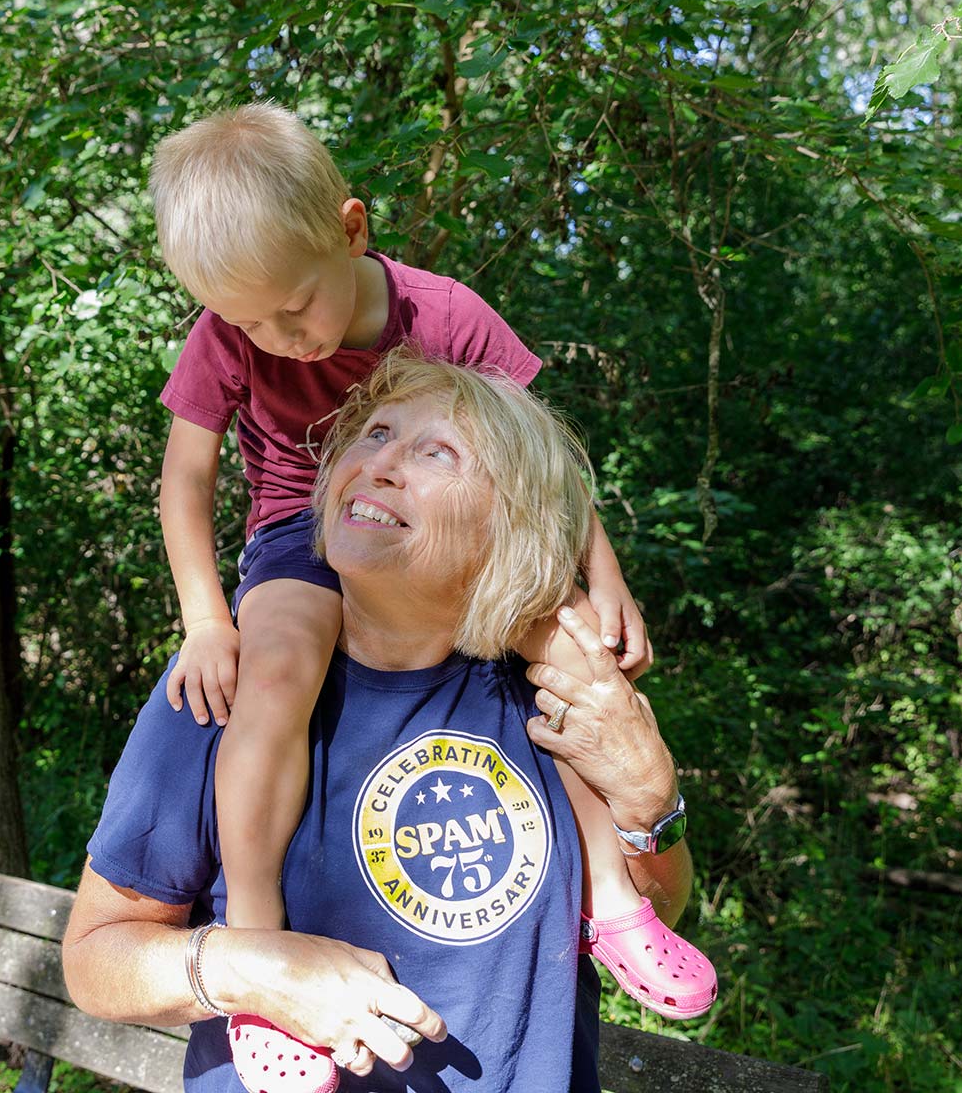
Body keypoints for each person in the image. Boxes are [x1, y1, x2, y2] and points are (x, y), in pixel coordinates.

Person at [150, 103, 708, 1032]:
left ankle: (610, 898)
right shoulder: (227, 336)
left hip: (457, 533)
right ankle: (256, 932)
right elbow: (185, 483)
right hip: (303, 525)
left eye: (292, 308)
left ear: (352, 228)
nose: (278, 338)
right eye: (248, 322)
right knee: (277, 667)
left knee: (571, 650)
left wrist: (600, 577)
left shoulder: (444, 314)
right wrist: (207, 618)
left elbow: (543, 464)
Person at [66, 353, 711, 1093]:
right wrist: (249, 969)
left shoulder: (546, 684)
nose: (379, 465)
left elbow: (650, 911)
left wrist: (653, 806)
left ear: (514, 520)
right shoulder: (230, 684)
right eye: (372, 435)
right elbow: (94, 960)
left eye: (436, 452)